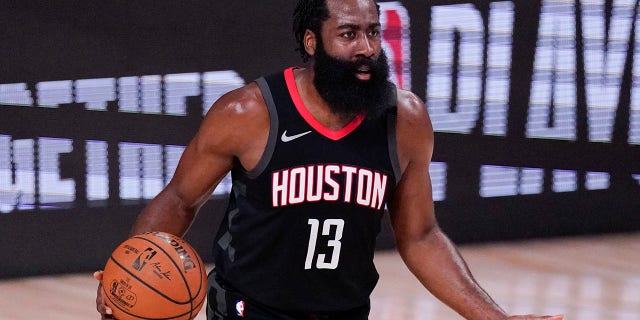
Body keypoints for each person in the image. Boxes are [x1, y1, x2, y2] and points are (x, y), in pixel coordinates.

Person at [95, 0, 564, 319]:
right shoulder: (250, 112)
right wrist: (128, 274)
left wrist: (491, 315)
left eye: (372, 32)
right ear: (311, 41)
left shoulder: (405, 120)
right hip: (248, 310)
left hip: (344, 312)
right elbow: (179, 199)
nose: (365, 48)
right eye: (348, 34)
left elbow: (419, 235)